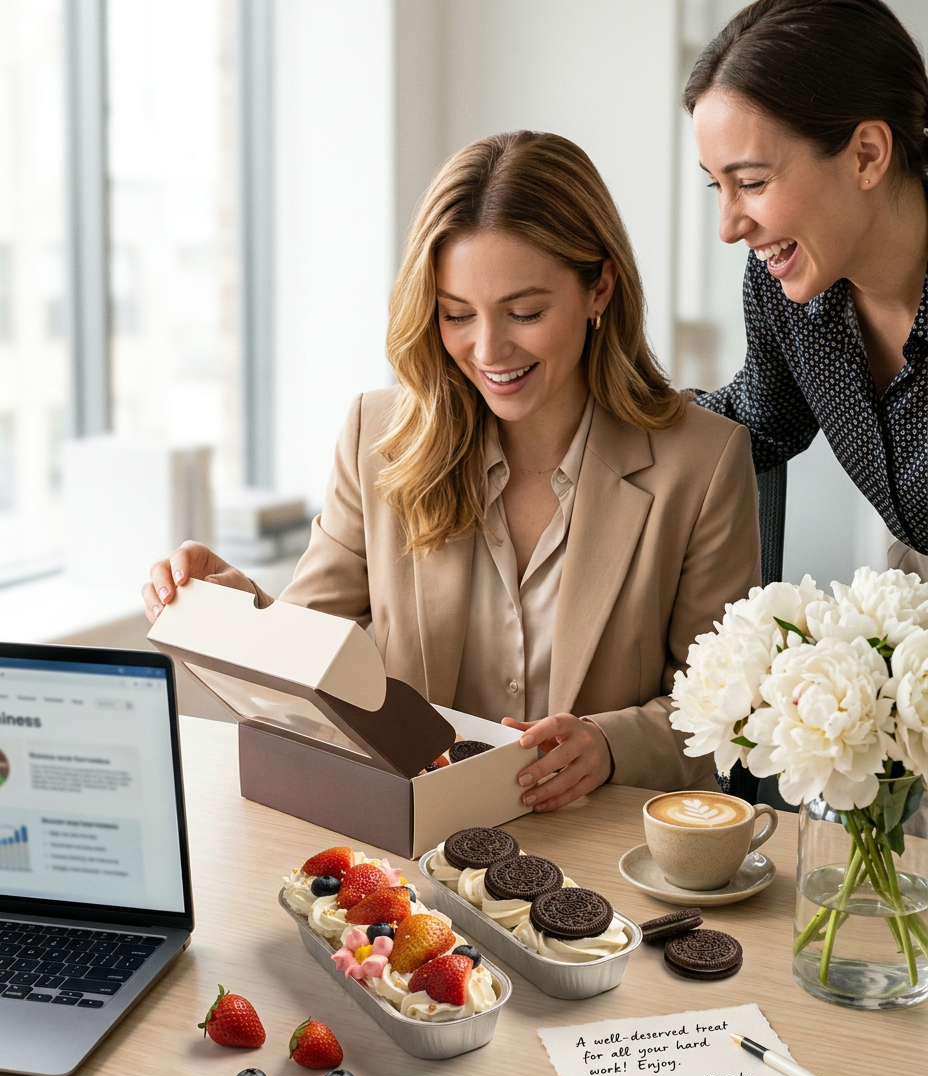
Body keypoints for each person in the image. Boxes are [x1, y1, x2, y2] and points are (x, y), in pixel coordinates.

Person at [143, 131, 760, 810]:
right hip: (419, 852)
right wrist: (233, 611)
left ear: (599, 288)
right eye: (456, 315)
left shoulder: (702, 464)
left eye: (525, 312)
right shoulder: (376, 438)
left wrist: (609, 746)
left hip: (605, 845)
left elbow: (721, 709)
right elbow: (304, 670)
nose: (489, 349)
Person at [686, 0, 928, 580]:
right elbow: (760, 421)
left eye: (751, 182)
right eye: (717, 185)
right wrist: (599, 407)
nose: (728, 227)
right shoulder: (784, 293)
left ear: (866, 154)